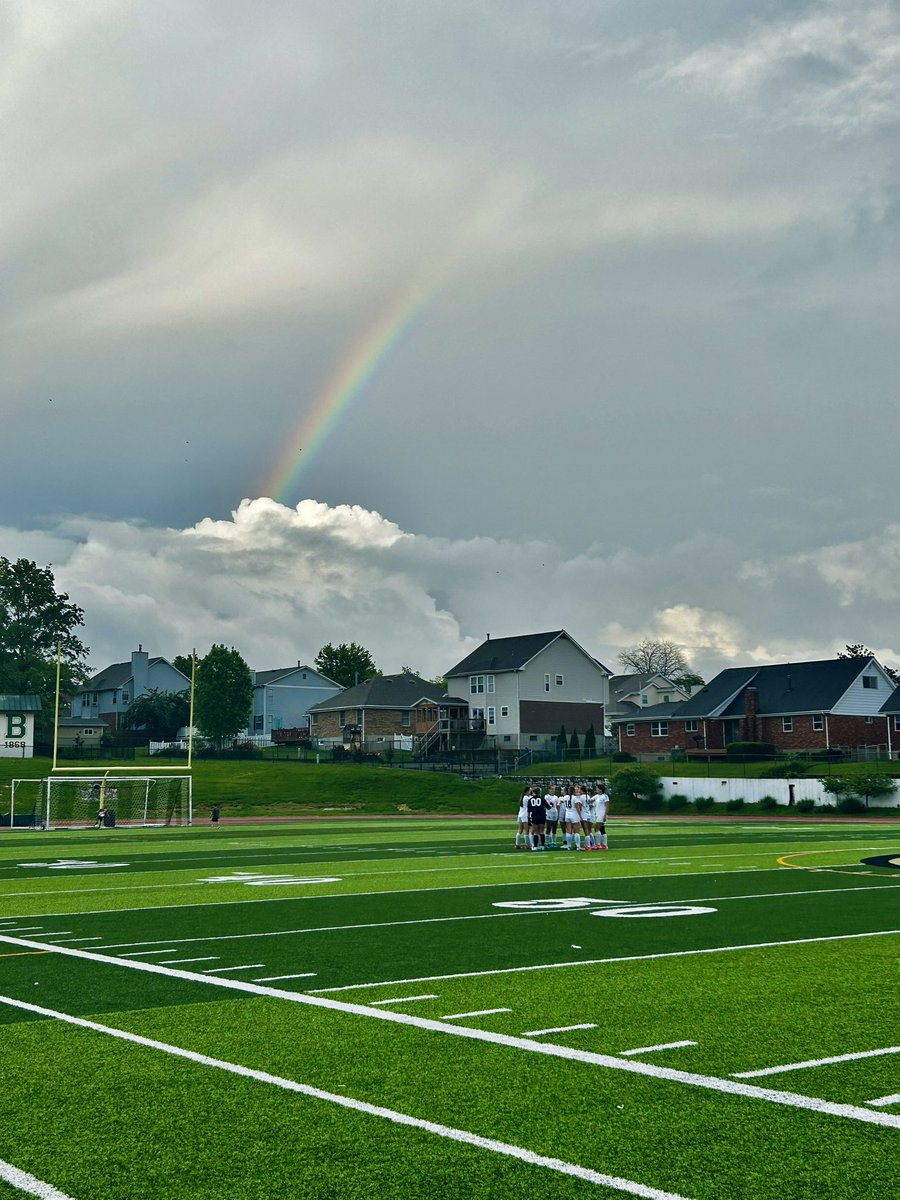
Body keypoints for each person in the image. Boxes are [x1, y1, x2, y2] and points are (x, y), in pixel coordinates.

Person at [593, 783, 610, 849]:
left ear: (601, 789)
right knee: (602, 829)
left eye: (597, 788)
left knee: (596, 828)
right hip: (597, 814)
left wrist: (605, 815)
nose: (596, 789)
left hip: (601, 814)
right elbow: (590, 800)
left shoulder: (605, 796)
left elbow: (607, 806)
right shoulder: (597, 796)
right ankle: (605, 845)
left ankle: (598, 844)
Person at [544, 784, 560, 848]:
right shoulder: (547, 796)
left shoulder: (556, 797)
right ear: (549, 789)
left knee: (554, 829)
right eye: (551, 789)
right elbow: (547, 803)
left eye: (554, 789)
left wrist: (558, 813)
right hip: (549, 814)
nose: (553, 790)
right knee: (548, 828)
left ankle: (554, 842)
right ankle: (547, 842)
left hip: (555, 813)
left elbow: (557, 805)